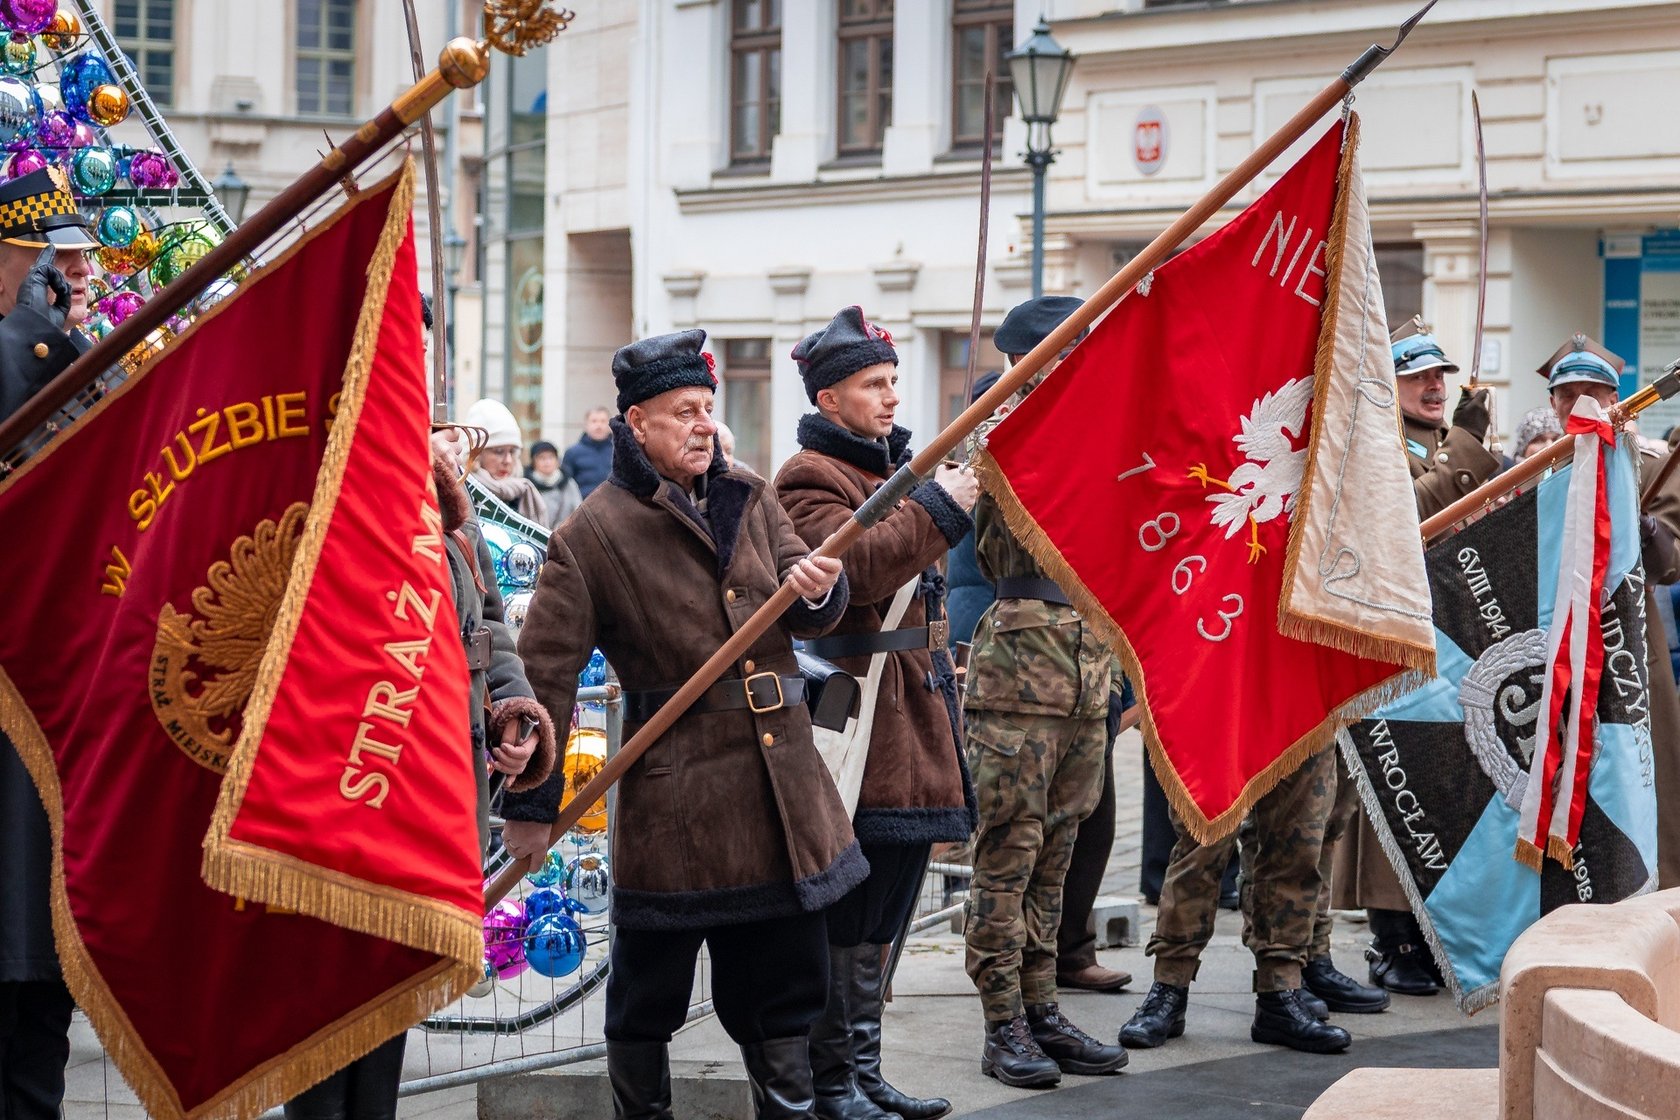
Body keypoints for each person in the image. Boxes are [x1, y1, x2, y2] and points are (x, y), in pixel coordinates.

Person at [501, 329, 857, 1120]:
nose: (703, 424)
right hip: (676, 804)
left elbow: (809, 605)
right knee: (646, 997)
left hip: (780, 791)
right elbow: (545, 675)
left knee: (785, 992)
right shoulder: (591, 534)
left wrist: (817, 589)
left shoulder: (751, 494)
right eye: (683, 411)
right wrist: (530, 807)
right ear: (636, 423)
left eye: (706, 407)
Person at [282, 316, 558, 1120]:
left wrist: (513, 712)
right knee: (322, 1020)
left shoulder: (449, 512)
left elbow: (488, 632)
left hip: (433, 800)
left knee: (388, 1016)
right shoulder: (316, 486)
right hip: (342, 799)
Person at [775, 305, 978, 1120]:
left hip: (912, 718)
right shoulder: (808, 477)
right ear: (830, 398)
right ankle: (831, 1085)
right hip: (859, 721)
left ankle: (863, 1071)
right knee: (848, 912)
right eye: (873, 384)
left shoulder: (897, 468)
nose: (892, 396)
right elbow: (854, 570)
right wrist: (940, 509)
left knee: (886, 912)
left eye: (893, 381)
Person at [961, 296, 1127, 1089]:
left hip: (1086, 672)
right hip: (1019, 677)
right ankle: (1002, 1023)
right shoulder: (998, 430)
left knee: (1057, 857)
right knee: (1008, 856)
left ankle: (1041, 1005)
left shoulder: (1093, 430)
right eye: (1070, 352)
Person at [1330, 320, 1500, 997]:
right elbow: (1410, 516)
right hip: (1395, 640)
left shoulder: (1449, 444)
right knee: (1391, 781)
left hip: (1456, 642)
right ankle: (1392, 937)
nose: (1434, 386)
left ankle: (1436, 933)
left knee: (1446, 791)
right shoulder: (1375, 442)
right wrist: (1468, 444)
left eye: (1439, 376)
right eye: (1418, 376)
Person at [0, 167, 99, 1120]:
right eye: (54, 258)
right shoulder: (31, 354)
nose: (77, 275)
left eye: (79, 258)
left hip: (57, 718)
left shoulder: (73, 359)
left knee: (40, 1018)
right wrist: (35, 340)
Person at [1539, 334, 1680, 890]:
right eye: (1567, 393)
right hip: (1550, 649)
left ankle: (1652, 898)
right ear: (1553, 404)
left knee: (1641, 782)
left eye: (1593, 392)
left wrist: (1642, 524)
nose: (1580, 403)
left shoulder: (1651, 466)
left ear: (1616, 399)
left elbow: (1670, 561)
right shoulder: (1535, 471)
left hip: (1629, 651)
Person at [464, 397, 548, 525]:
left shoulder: (524, 491)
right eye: (498, 451)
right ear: (476, 454)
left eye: (512, 452)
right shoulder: (461, 491)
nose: (507, 460)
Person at [525, 438, 581, 529]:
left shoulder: (569, 483)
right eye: (542, 458)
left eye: (551, 457)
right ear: (533, 462)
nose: (547, 462)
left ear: (557, 461)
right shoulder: (527, 485)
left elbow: (578, 510)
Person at [562, 406, 614, 498]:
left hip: (614, 503)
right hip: (583, 504)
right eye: (594, 421)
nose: (599, 426)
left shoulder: (619, 451)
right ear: (586, 425)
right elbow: (566, 485)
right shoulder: (572, 453)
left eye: (603, 421)